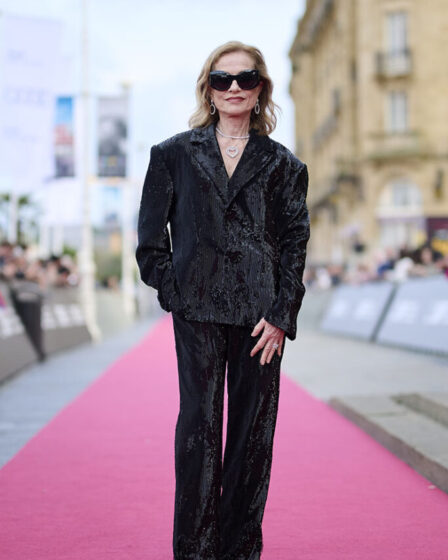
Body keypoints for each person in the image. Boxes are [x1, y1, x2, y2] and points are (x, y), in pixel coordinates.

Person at [135, 40, 311, 560]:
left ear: (260, 90)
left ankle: (240, 551)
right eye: (222, 79)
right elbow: (150, 243)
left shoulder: (284, 166)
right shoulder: (171, 155)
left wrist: (281, 314)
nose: (234, 88)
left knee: (252, 441)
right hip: (198, 314)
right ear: (208, 89)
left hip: (263, 322)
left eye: (245, 78)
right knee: (198, 434)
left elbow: (296, 246)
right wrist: (177, 293)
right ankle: (194, 551)